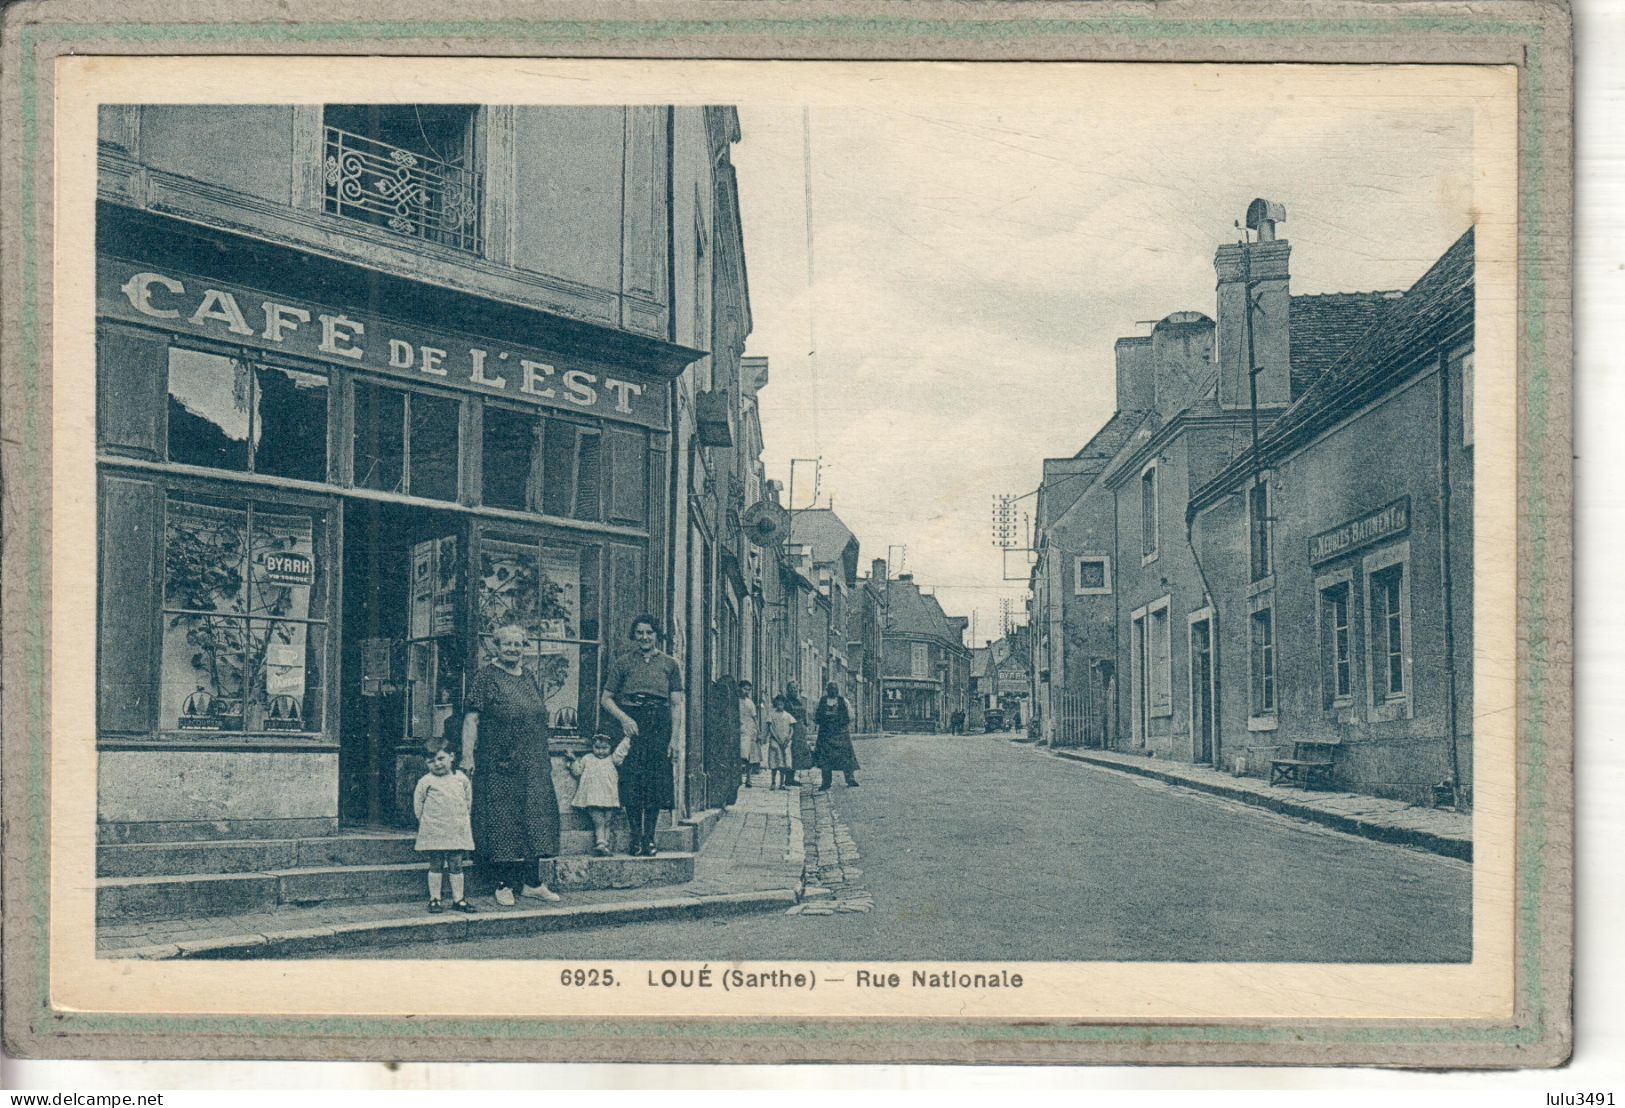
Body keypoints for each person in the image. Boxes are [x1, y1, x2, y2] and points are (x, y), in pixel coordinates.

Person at [462, 624, 562, 908]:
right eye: (507, 644)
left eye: (517, 644)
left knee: (534, 818)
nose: (512, 649)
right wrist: (467, 756)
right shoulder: (486, 677)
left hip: (533, 761)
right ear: (496, 646)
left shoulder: (529, 676)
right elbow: (472, 719)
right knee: (503, 820)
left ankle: (532, 883)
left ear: (524, 647)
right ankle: (503, 884)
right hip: (499, 761)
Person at [600, 614, 684, 857]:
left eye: (649, 632)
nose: (645, 637)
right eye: (640, 633)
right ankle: (635, 839)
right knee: (633, 784)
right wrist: (624, 719)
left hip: (659, 723)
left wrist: (674, 740)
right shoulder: (623, 663)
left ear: (657, 635)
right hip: (632, 723)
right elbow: (606, 699)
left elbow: (677, 704)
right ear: (634, 636)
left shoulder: (670, 665)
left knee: (655, 783)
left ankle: (650, 838)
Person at [413, 748, 477, 914]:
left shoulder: (461, 779)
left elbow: (468, 802)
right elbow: (418, 805)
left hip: (456, 829)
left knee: (456, 862)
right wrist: (427, 823)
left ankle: (458, 899)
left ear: (452, 756)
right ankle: (435, 899)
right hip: (434, 829)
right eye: (431, 761)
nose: (437, 764)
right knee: (436, 863)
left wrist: (461, 821)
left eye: (441, 758)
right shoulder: (426, 781)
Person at [570, 733, 630, 856]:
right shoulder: (588, 758)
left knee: (607, 820)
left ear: (610, 748)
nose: (601, 752)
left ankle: (605, 845)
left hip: (608, 797)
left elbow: (621, 751)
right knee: (598, 820)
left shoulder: (612, 759)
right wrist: (572, 759)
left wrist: (627, 737)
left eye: (604, 748)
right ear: (592, 746)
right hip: (593, 796)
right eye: (597, 748)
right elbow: (577, 771)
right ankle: (600, 843)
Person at [813, 681, 861, 791]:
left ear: (838, 690)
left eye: (835, 688)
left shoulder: (843, 701)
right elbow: (816, 716)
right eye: (830, 688)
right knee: (825, 759)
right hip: (825, 735)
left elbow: (851, 716)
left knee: (846, 756)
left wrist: (841, 723)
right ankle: (826, 782)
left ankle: (850, 779)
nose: (833, 690)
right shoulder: (822, 701)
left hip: (840, 734)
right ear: (827, 690)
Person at [783, 682, 812, 786]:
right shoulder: (786, 702)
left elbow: (804, 715)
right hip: (790, 729)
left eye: (796, 688)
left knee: (798, 754)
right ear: (788, 690)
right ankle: (788, 778)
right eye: (792, 688)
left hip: (800, 730)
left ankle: (792, 777)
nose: (794, 690)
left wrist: (805, 725)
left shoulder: (799, 702)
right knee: (790, 753)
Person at [764, 695, 795, 789]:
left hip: (785, 742)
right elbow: (770, 728)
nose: (780, 705)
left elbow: (792, 729)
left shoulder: (787, 715)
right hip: (775, 741)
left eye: (782, 704)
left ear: (784, 704)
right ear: (776, 704)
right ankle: (773, 782)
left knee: (783, 764)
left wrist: (789, 738)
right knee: (774, 762)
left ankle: (782, 783)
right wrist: (776, 738)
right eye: (778, 704)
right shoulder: (772, 714)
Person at [737, 679, 759, 788]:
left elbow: (755, 718)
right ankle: (739, 778)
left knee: (750, 756)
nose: (746, 692)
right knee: (740, 755)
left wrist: (758, 731)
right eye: (745, 689)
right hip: (738, 730)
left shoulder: (750, 703)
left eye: (748, 690)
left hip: (749, 730)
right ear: (739, 688)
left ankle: (749, 779)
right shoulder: (735, 701)